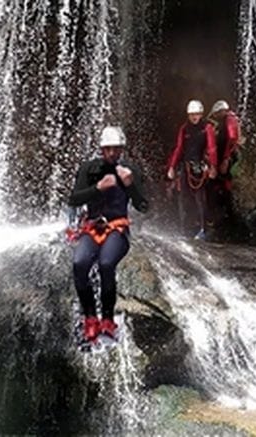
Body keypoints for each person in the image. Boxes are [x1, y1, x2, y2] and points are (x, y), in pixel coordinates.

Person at [68, 126, 149, 343]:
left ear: (122, 149)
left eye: (116, 149)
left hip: (117, 228)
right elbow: (73, 199)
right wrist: (97, 188)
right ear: (101, 149)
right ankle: (90, 318)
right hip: (93, 228)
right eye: (108, 149)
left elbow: (143, 205)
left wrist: (130, 185)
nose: (112, 153)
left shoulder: (129, 170)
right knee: (80, 263)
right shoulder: (89, 169)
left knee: (106, 264)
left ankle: (107, 320)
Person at [166, 100, 218, 240]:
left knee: (200, 198)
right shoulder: (184, 129)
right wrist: (172, 166)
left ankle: (203, 229)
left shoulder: (207, 128)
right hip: (186, 166)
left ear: (201, 114)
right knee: (183, 197)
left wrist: (213, 166)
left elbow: (212, 148)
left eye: (197, 114)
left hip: (200, 167)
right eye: (191, 114)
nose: (194, 117)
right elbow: (179, 148)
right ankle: (184, 229)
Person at [207, 100, 241, 226]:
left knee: (221, 184)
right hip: (226, 158)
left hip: (229, 158)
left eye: (216, 114)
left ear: (221, 112)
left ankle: (227, 217)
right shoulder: (225, 121)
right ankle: (225, 217)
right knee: (220, 184)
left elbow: (232, 138)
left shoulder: (229, 119)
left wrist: (226, 159)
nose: (215, 117)